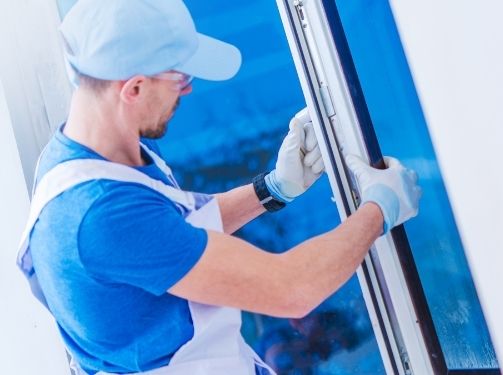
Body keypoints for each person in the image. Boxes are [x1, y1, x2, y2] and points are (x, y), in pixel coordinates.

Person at [16, 0, 421, 374]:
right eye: (180, 75)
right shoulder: (100, 216)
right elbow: (291, 289)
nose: (189, 88)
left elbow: (176, 232)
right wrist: (380, 208)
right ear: (134, 88)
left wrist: (274, 189)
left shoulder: (82, 157)